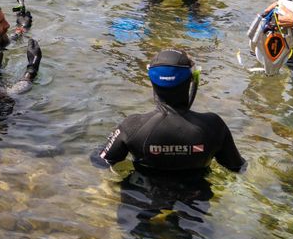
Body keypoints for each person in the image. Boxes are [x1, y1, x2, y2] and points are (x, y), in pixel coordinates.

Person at [93, 49, 244, 175]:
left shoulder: (132, 126)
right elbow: (236, 167)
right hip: (195, 206)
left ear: (151, 80)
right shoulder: (213, 126)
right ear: (192, 79)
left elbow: (101, 161)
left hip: (139, 202)